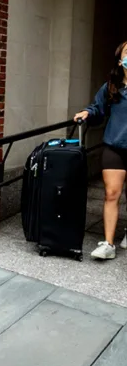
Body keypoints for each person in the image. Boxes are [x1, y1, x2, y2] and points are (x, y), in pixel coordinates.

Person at [74, 40, 127, 260]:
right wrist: (88, 112)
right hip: (115, 146)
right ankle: (108, 244)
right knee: (111, 194)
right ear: (120, 58)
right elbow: (98, 108)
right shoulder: (112, 86)